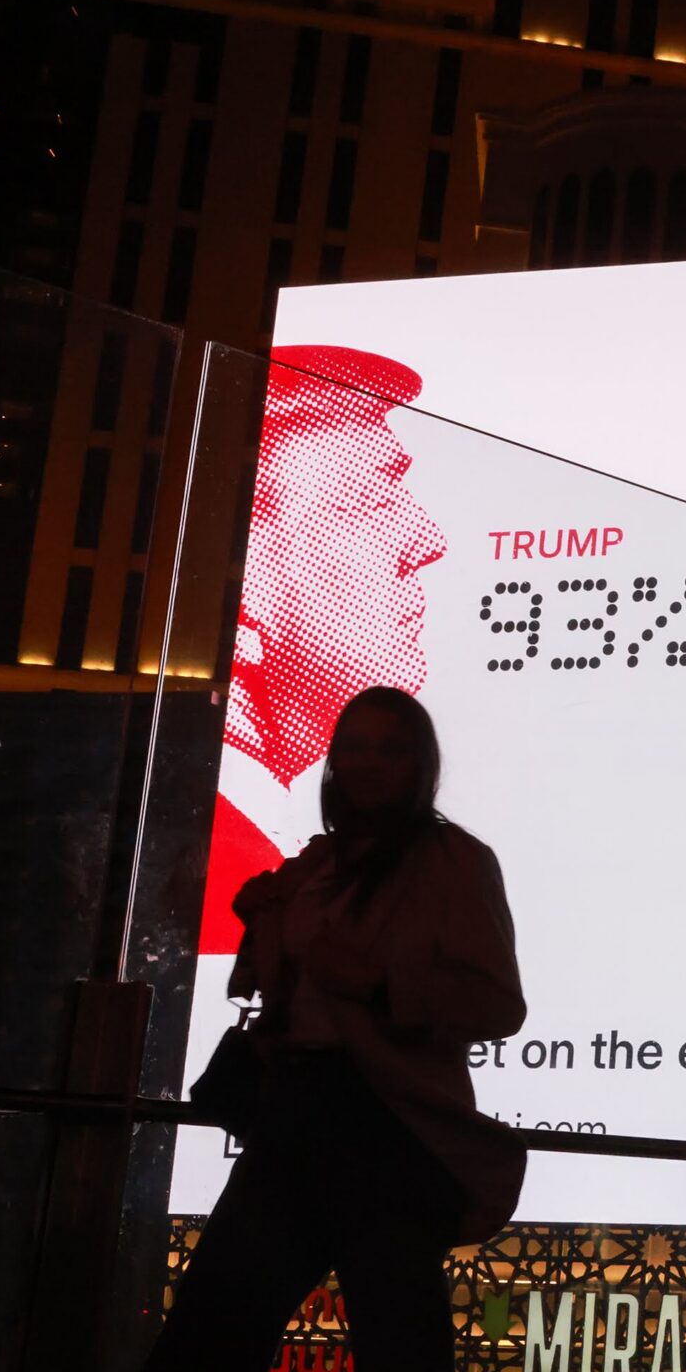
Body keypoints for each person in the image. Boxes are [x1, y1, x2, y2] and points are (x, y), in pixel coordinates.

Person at [0, 689, 526, 1372]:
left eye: (388, 749)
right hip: (295, 1123)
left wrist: (369, 976)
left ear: (421, 764)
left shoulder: (453, 861)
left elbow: (495, 1001)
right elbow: (287, 1003)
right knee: (193, 1370)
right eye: (351, 745)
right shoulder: (316, 865)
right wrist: (268, 929)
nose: (364, 763)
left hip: (387, 1130)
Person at [201, 349, 449, 955]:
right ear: (250, 578)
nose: (427, 540)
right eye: (369, 504)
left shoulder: (296, 850)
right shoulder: (199, 860)